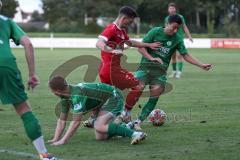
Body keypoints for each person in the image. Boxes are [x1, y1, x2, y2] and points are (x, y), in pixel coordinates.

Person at [124, 14, 212, 131]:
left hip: (160, 73)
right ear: (167, 24)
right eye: (174, 27)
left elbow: (185, 55)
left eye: (178, 28)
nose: (175, 30)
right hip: (145, 67)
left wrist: (201, 65)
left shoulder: (177, 39)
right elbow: (141, 47)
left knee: (155, 96)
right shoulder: (155, 32)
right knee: (138, 88)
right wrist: (151, 58)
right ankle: (125, 113)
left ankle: (137, 121)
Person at [82, 6, 161, 126]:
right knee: (138, 86)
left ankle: (93, 119)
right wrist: (111, 50)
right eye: (130, 21)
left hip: (105, 69)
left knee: (105, 94)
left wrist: (148, 44)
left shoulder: (122, 31)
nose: (130, 24)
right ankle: (125, 114)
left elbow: (130, 43)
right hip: (111, 69)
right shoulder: (111, 29)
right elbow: (99, 43)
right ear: (124, 18)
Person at [0, 1, 57, 160]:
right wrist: (32, 74)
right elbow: (28, 44)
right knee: (24, 110)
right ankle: (44, 155)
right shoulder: (6, 22)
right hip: (5, 66)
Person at [48, 75, 147, 145]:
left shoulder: (76, 95)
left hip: (113, 96)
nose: (52, 92)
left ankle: (136, 134)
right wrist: (56, 139)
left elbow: (75, 122)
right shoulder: (65, 96)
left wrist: (63, 140)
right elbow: (61, 120)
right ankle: (126, 126)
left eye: (52, 90)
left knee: (99, 126)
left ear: (57, 90)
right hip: (103, 101)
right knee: (101, 137)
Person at [166, 3, 193, 78]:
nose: (171, 10)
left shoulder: (180, 17)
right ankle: (174, 72)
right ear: (168, 10)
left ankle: (179, 72)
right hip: (171, 40)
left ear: (175, 9)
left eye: (172, 8)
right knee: (172, 56)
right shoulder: (167, 18)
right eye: (170, 8)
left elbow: (184, 27)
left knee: (179, 55)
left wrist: (189, 36)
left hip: (179, 39)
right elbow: (166, 29)